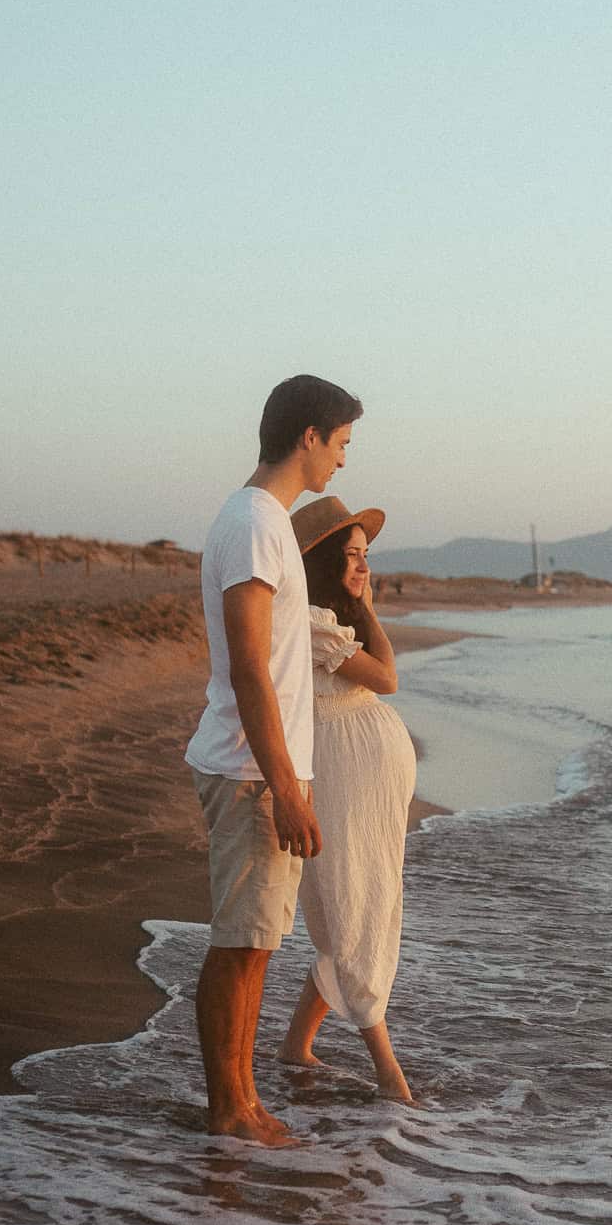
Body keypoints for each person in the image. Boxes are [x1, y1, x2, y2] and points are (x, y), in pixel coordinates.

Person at [185, 373, 362, 1144]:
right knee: (242, 942)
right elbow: (251, 667)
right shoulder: (257, 523)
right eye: (342, 444)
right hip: (252, 770)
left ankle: (245, 1100)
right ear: (308, 438)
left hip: (259, 766)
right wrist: (285, 787)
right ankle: (230, 1109)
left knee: (256, 942)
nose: (343, 462)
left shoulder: (259, 520)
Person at [279, 495, 418, 1102]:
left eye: (367, 556)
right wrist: (366, 608)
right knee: (354, 902)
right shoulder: (310, 621)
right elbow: (387, 676)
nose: (364, 567)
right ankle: (388, 1069)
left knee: (359, 901)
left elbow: (383, 676)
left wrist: (362, 605)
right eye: (353, 556)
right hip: (338, 771)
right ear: (322, 560)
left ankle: (295, 1045)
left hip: (366, 776)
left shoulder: (334, 619)